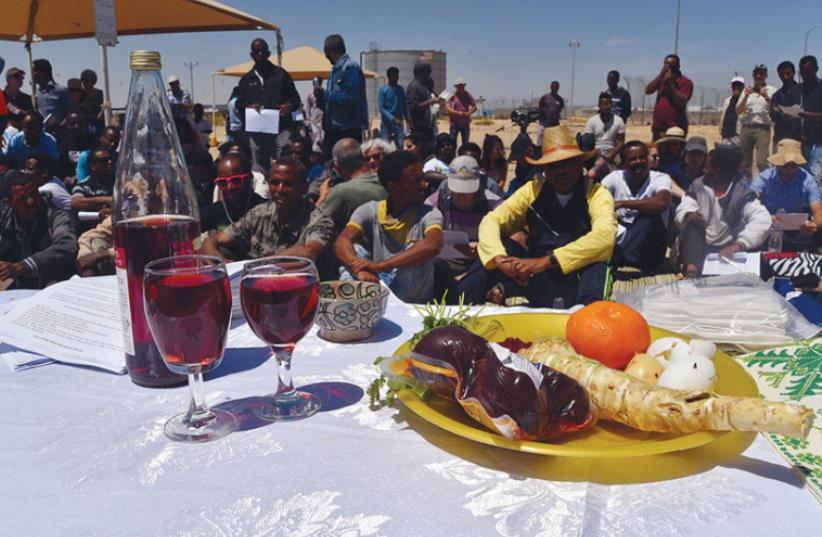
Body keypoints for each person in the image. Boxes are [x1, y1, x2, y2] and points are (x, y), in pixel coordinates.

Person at [463, 125, 617, 307]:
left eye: (567, 163)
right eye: (554, 165)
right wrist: (501, 260)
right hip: (534, 280)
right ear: (545, 169)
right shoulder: (532, 191)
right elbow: (491, 221)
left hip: (577, 282)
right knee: (497, 248)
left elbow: (605, 238)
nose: (561, 171)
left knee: (598, 263)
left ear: (580, 164)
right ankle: (454, 307)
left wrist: (545, 261)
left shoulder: (596, 193)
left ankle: (589, 318)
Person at [335, 151, 443, 303]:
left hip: (410, 296)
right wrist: (357, 268)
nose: (424, 184)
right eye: (416, 181)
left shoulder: (429, 213)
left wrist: (380, 266)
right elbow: (342, 240)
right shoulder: (369, 210)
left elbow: (433, 245)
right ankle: (354, 306)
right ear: (393, 187)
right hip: (378, 283)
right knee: (354, 251)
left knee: (419, 251)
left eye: (423, 179)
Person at [201, 156, 335, 262]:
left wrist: (261, 265)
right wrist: (222, 262)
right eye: (275, 183)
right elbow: (215, 240)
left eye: (288, 184)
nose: (280, 190)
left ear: (304, 187)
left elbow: (308, 252)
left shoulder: (319, 220)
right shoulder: (258, 214)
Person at [675, 146, 772, 277]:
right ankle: (691, 271)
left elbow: (763, 219)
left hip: (728, 250)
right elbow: (686, 204)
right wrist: (688, 214)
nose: (703, 170)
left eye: (707, 167)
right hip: (699, 248)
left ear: (717, 172)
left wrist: (740, 244)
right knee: (692, 227)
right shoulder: (699, 185)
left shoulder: (741, 193)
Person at [425, 155, 501, 297]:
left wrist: (484, 246)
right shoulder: (438, 200)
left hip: (478, 263)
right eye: (457, 189)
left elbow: (511, 237)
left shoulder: (493, 204)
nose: (461, 195)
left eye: (467, 190)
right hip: (445, 263)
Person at [0, 170, 78, 289]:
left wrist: (22, 267)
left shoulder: (55, 217)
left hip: (51, 282)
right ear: (9, 203)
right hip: (17, 286)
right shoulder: (4, 218)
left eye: (33, 195)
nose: (30, 202)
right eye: (22, 198)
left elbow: (67, 246)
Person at [601, 141, 672, 271]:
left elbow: (662, 203)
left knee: (650, 212)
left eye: (642, 157)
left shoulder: (660, 178)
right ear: (623, 164)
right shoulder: (616, 178)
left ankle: (619, 256)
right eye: (633, 159)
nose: (638, 162)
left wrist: (622, 203)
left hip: (649, 250)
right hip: (620, 241)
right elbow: (596, 198)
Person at [235, 38, 302, 173]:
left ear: (268, 53)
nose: (260, 55)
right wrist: (248, 106)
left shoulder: (281, 75)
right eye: (256, 52)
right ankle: (263, 193)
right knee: (259, 168)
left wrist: (288, 106)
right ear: (251, 55)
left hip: (281, 129)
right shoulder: (246, 79)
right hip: (257, 133)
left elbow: (295, 100)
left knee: (283, 165)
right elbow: (238, 104)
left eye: (262, 51)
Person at [751, 139, 822, 252]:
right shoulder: (764, 178)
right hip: (768, 226)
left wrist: (815, 225)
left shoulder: (807, 179)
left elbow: (818, 210)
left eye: (793, 166)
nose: (788, 170)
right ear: (777, 164)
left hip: (796, 230)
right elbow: (749, 204)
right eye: (784, 166)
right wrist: (765, 217)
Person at [318, 138, 387, 231]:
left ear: (337, 165)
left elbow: (315, 224)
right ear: (363, 158)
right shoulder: (386, 181)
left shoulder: (341, 191)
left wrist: (322, 198)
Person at [322, 34, 368, 157]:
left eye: (326, 53)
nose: (326, 56)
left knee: (349, 163)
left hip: (347, 129)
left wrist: (325, 95)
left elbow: (351, 97)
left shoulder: (350, 67)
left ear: (331, 51)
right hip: (334, 128)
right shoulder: (335, 70)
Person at [199, 152, 267, 233]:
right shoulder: (215, 211)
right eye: (222, 183)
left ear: (250, 178)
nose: (229, 187)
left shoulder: (267, 210)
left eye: (236, 181)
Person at [737, 65, 777, 177]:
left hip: (763, 128)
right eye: (756, 74)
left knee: (762, 162)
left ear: (766, 76)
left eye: (761, 74)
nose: (758, 76)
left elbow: (774, 110)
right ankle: (746, 187)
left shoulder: (772, 90)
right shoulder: (747, 91)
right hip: (747, 128)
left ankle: (764, 188)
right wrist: (745, 96)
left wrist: (766, 97)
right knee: (744, 162)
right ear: (753, 75)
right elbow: (738, 111)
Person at [645, 54, 693, 139]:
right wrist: (661, 75)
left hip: (676, 128)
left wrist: (670, 84)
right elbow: (648, 91)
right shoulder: (661, 80)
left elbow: (682, 101)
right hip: (658, 128)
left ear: (678, 66)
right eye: (666, 64)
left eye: (671, 64)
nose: (668, 67)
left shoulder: (686, 82)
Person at [793, 55, 822, 183]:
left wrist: (809, 116)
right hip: (801, 141)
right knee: (802, 177)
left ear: (816, 69)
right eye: (803, 72)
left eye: (809, 71)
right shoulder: (798, 89)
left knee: (815, 178)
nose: (805, 75)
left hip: (819, 142)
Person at [24, 153, 75, 222]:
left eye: (30, 169)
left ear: (44, 173)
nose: (25, 172)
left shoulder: (45, 190)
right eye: (25, 169)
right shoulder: (55, 180)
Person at [71, 147, 115, 218]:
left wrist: (113, 211)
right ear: (93, 166)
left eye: (110, 159)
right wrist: (105, 199)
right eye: (104, 160)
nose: (110, 162)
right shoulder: (83, 186)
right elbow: (76, 202)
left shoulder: (119, 184)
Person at [583, 93, 626, 164]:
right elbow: (588, 141)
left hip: (613, 150)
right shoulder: (592, 120)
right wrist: (596, 152)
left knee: (621, 167)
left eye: (608, 104)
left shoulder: (618, 120)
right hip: (596, 151)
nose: (606, 107)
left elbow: (621, 141)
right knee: (591, 172)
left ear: (612, 105)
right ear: (599, 106)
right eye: (603, 105)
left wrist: (613, 153)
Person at [32, 59, 70, 130]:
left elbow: (70, 113)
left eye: (34, 71)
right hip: (42, 135)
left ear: (43, 72)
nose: (32, 75)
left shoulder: (61, 91)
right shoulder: (36, 93)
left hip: (60, 135)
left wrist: (60, 125)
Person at [406, 62, 442, 137]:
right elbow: (414, 107)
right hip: (417, 127)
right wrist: (432, 101)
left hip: (426, 126)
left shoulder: (423, 86)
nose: (429, 74)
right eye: (428, 72)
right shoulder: (414, 87)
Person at [770, 61, 802, 147]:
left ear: (794, 73)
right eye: (782, 74)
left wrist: (784, 112)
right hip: (780, 137)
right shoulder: (776, 95)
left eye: (788, 73)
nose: (785, 76)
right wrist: (786, 115)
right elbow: (773, 114)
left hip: (799, 137)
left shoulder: (802, 91)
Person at [56, 111, 94, 181]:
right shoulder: (64, 144)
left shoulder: (93, 142)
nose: (77, 126)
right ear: (68, 125)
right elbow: (61, 168)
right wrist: (67, 178)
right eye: (73, 124)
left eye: (80, 123)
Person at [377, 67, 407, 150]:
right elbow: (381, 108)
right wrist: (392, 119)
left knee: (400, 146)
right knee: (384, 146)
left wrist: (408, 120)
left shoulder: (400, 90)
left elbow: (404, 106)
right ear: (389, 77)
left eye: (397, 77)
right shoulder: (383, 90)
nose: (396, 79)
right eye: (394, 77)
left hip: (399, 123)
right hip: (386, 123)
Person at [505, 133, 539, 197]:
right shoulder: (520, 168)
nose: (519, 161)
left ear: (530, 151)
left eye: (520, 158)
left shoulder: (542, 161)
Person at [446, 77, 477, 146]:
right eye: (459, 86)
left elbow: (475, 107)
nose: (461, 87)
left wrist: (468, 113)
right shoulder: (452, 95)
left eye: (462, 86)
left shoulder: (468, 95)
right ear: (456, 87)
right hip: (454, 123)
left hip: (465, 123)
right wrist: (457, 113)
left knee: (465, 144)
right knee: (452, 143)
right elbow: (448, 108)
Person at [537, 81, 564, 145]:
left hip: (554, 124)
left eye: (556, 87)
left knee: (553, 141)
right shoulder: (545, 97)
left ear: (558, 88)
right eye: (553, 87)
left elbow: (560, 109)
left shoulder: (560, 99)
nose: (554, 88)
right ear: (550, 87)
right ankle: (538, 152)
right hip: (544, 123)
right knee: (540, 139)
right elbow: (540, 108)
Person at [720, 76, 745, 145]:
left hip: (737, 134)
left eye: (739, 85)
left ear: (743, 87)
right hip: (725, 134)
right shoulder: (727, 101)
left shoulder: (746, 101)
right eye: (734, 85)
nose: (736, 87)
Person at [306, 76, 325, 148]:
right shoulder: (310, 95)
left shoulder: (325, 93)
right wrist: (308, 120)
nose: (315, 84)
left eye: (317, 82)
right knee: (315, 138)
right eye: (314, 82)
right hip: (314, 119)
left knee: (323, 137)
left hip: (323, 118)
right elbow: (307, 108)